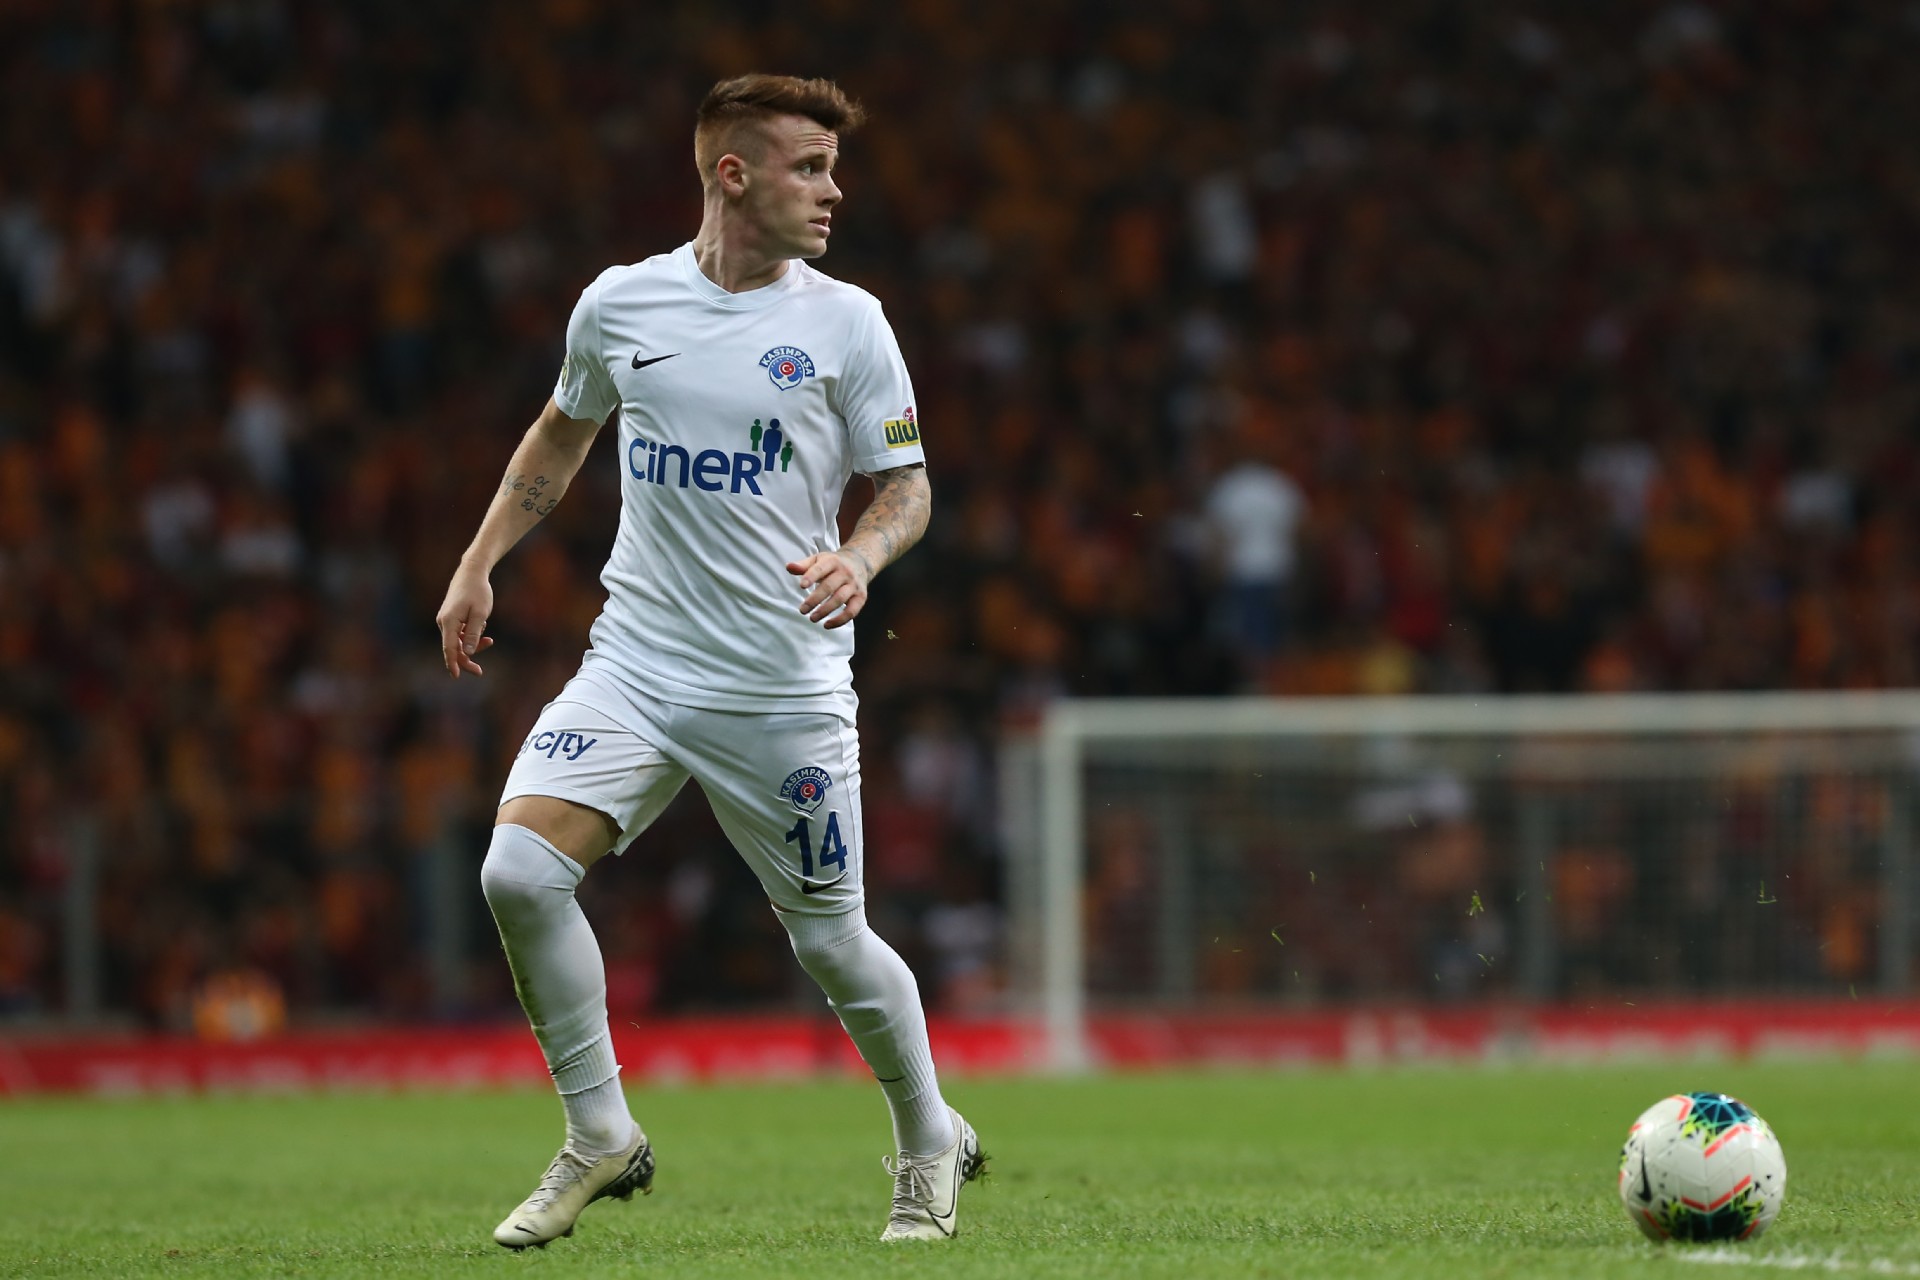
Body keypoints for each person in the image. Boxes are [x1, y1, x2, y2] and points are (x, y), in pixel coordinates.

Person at [433, 74, 984, 1249]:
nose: (833, 192)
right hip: (636, 663)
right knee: (518, 873)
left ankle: (927, 1136)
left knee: (830, 940)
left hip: (780, 686)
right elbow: (563, 429)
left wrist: (861, 556)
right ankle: (600, 1133)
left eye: (834, 169)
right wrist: (480, 561)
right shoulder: (621, 303)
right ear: (733, 174)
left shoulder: (849, 322)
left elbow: (908, 485)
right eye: (808, 168)